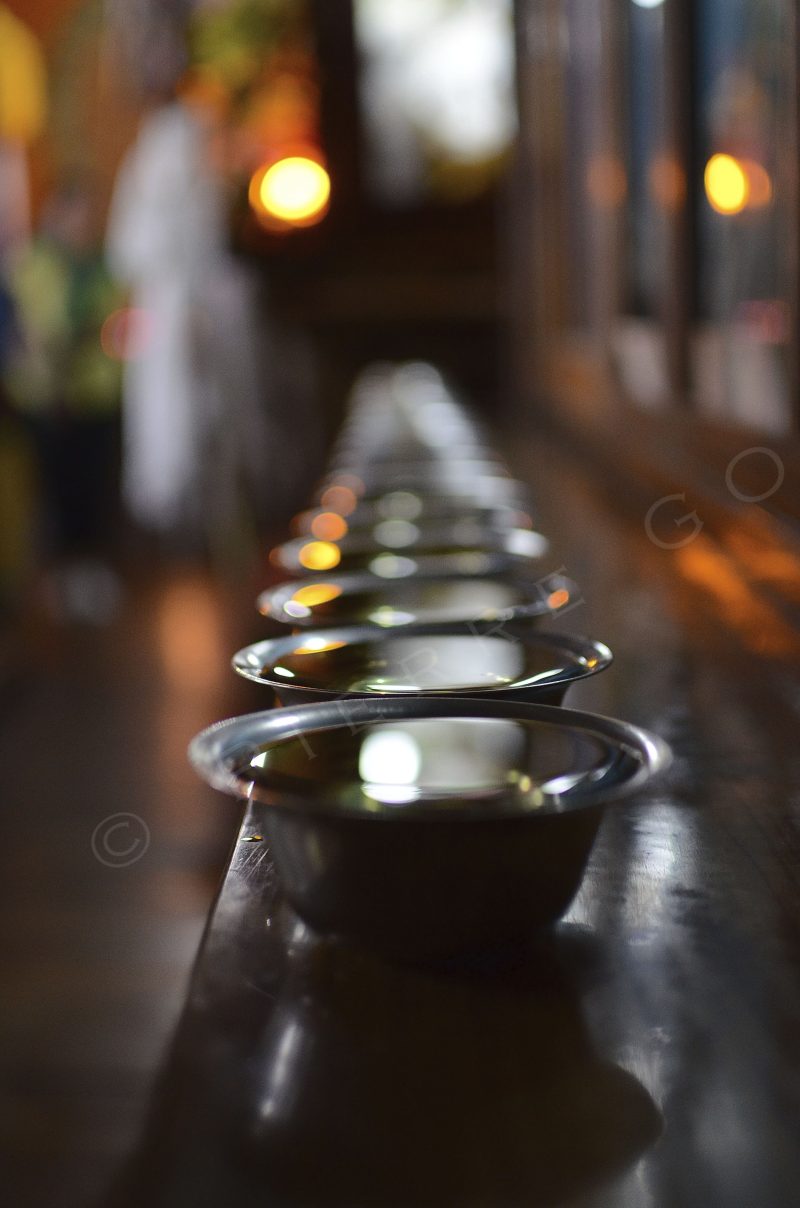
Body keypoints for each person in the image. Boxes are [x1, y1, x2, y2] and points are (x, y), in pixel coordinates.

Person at [3, 180, 124, 622]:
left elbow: (117, 323)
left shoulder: (104, 268)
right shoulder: (32, 264)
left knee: (93, 487)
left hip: (95, 393)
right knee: (55, 490)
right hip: (44, 397)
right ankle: (62, 579)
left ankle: (91, 571)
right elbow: (25, 326)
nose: (83, 225)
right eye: (76, 214)